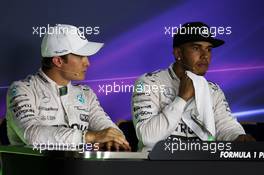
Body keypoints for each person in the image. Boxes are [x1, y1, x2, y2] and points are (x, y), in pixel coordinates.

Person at [132, 22, 255, 151]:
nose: (205, 55)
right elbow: (148, 137)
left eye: (208, 49)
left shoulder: (213, 90)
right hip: (157, 165)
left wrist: (238, 137)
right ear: (178, 53)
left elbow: (226, 126)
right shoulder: (148, 82)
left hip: (201, 164)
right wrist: (181, 99)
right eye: (196, 48)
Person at [6, 24, 130, 151]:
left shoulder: (85, 94)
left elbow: (106, 127)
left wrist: (115, 137)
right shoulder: (22, 90)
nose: (87, 63)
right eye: (81, 56)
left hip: (80, 168)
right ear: (58, 61)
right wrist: (90, 137)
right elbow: (31, 134)